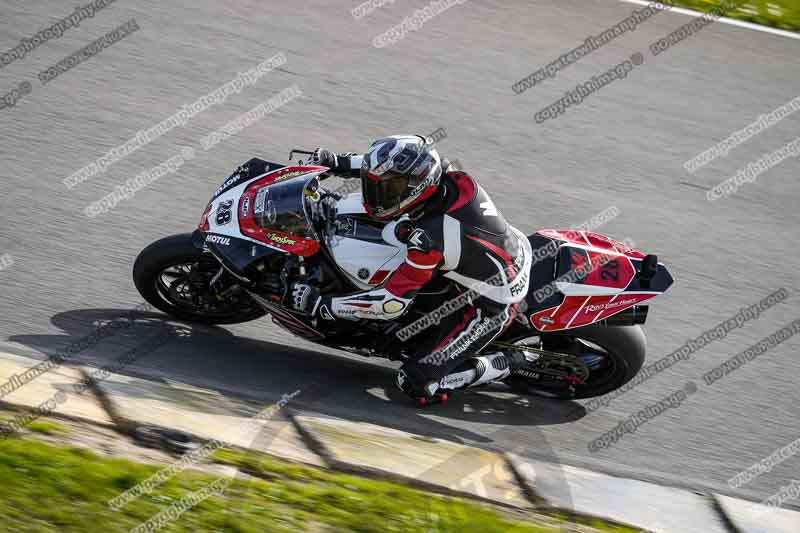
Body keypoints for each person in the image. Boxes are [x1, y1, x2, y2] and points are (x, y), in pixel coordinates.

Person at [291, 135, 535, 404]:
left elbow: (390, 305)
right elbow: (387, 168)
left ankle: (512, 360)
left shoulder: (432, 238)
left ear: (417, 187)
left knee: (415, 383)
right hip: (489, 257)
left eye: (389, 189)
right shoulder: (441, 172)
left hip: (490, 304)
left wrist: (325, 305)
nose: (378, 194)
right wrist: (338, 162)